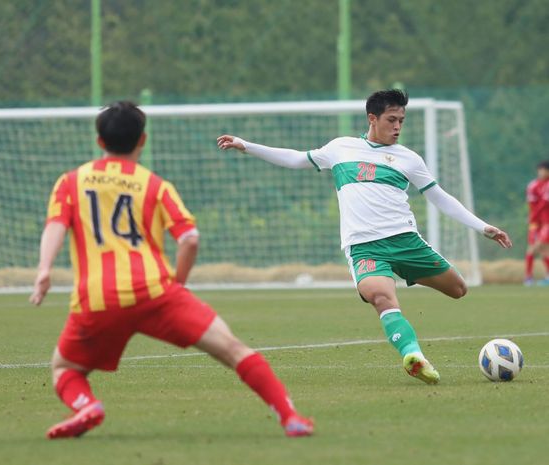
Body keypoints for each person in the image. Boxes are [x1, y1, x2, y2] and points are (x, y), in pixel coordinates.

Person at [30, 101, 313, 439]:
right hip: (156, 293)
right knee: (234, 349)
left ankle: (86, 405)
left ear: (100, 142)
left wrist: (44, 269)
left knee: (65, 368)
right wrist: (178, 284)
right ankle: (289, 416)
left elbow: (55, 226)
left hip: (98, 299)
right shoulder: (155, 186)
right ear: (143, 141)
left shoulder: (71, 182)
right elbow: (190, 239)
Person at [217, 89, 512, 385]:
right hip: (364, 248)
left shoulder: (409, 159)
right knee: (382, 297)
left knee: (459, 289)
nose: (397, 127)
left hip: (405, 241)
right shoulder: (341, 148)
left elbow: (440, 197)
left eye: (401, 121)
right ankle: (414, 356)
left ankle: (403, 271)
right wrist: (246, 145)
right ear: (372, 118)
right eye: (391, 119)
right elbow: (296, 159)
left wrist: (482, 227)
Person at [524, 160, 549, 286]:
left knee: (539, 247)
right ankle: (528, 277)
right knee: (535, 249)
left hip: (547, 222)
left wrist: (533, 217)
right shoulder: (532, 185)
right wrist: (532, 218)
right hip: (535, 223)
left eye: (544, 170)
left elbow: (544, 204)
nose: (542, 172)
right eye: (540, 170)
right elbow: (532, 204)